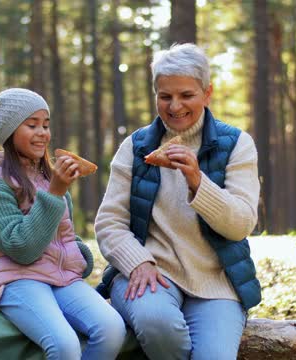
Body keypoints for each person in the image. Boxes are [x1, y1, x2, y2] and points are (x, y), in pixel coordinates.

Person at [95, 43, 262, 359]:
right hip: (150, 272)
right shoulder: (135, 147)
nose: (175, 106)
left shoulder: (237, 145)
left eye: (187, 95)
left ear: (207, 93)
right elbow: (109, 223)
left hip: (217, 283)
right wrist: (138, 261)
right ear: (155, 94)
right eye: (165, 96)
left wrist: (198, 181)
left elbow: (240, 225)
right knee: (157, 325)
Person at [0, 88, 126, 360]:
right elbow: (22, 247)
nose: (42, 132)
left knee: (112, 330)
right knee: (64, 345)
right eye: (32, 125)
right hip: (15, 279)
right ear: (8, 131)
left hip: (60, 278)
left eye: (46, 125)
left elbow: (63, 234)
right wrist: (55, 192)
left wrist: (79, 255)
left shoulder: (48, 177)